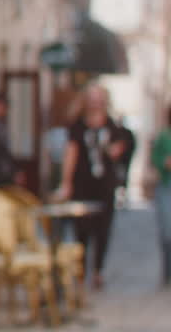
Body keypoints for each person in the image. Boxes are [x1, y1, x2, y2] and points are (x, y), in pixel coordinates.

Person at [55, 84, 128, 290]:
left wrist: (114, 150)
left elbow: (120, 149)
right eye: (92, 98)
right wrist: (66, 183)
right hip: (82, 184)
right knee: (82, 228)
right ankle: (80, 271)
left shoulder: (113, 125)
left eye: (99, 98)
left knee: (103, 228)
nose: (95, 102)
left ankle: (98, 271)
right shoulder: (78, 126)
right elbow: (71, 154)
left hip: (104, 185)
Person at [153, 106, 171, 286]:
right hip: (167, 186)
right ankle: (167, 270)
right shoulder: (164, 136)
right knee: (167, 231)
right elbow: (155, 158)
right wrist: (164, 162)